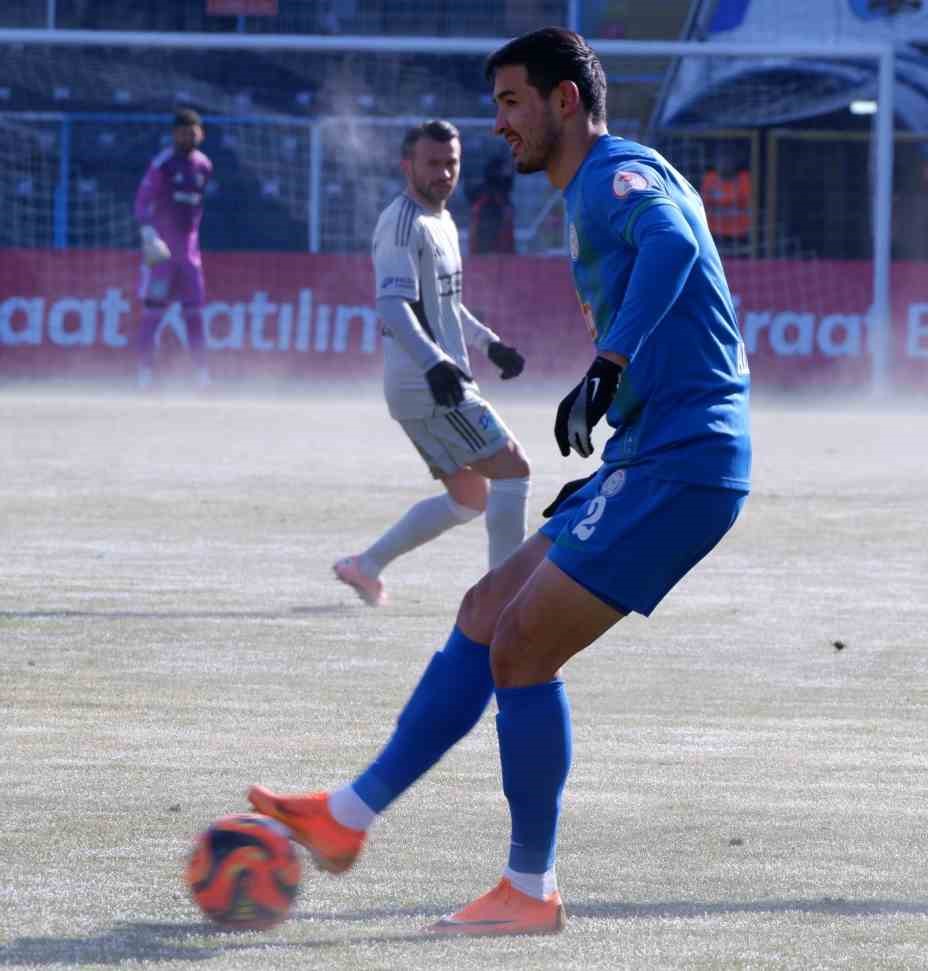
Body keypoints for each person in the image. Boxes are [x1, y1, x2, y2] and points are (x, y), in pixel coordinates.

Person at [249, 28, 751, 935]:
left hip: (687, 461)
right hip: (650, 452)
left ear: (566, 101)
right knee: (486, 611)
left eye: (513, 102)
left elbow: (674, 246)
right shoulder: (603, 182)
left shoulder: (610, 177)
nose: (499, 125)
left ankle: (530, 886)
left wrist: (607, 363)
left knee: (522, 647)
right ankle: (346, 816)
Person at [331, 119, 532, 607]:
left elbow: (447, 303)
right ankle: (504, 601)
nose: (443, 174)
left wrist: (490, 345)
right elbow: (393, 305)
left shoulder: (441, 221)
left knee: (470, 498)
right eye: (433, 164)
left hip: (427, 380)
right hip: (428, 383)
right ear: (408, 167)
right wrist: (435, 363)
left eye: (451, 164)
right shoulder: (402, 224)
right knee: (513, 470)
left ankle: (366, 566)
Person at [133, 108, 213, 389]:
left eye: (193, 132)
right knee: (153, 313)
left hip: (190, 255)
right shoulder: (163, 164)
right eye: (182, 132)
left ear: (200, 134)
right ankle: (143, 375)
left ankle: (202, 376)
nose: (188, 137)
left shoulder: (204, 165)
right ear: (174, 134)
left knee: (195, 314)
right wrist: (148, 231)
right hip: (163, 254)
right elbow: (142, 201)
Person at [468, 154, 517, 254]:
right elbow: (484, 234)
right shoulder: (487, 198)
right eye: (505, 170)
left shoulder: (501, 197)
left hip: (500, 254)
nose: (509, 173)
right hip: (489, 255)